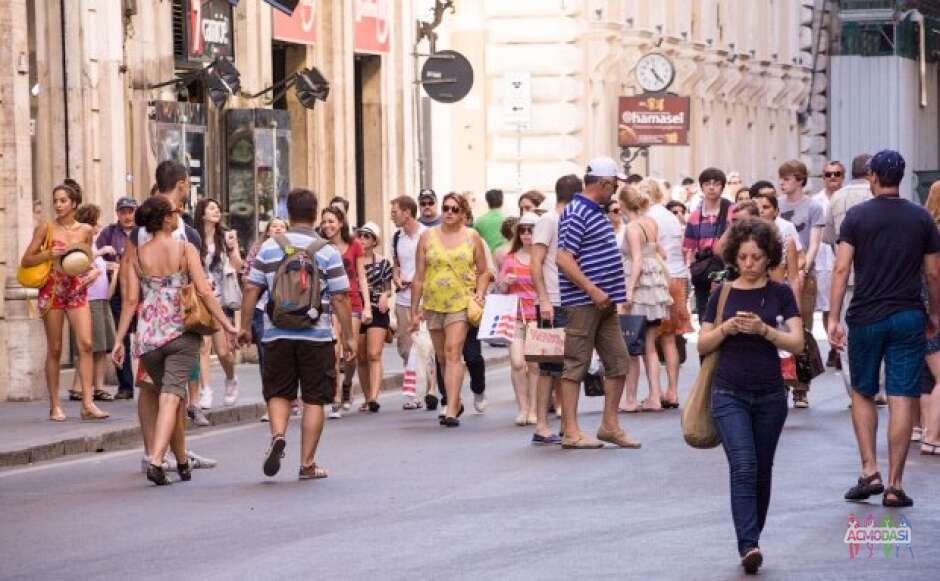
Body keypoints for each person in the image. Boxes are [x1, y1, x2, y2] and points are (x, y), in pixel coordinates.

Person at [829, 150, 940, 508]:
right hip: (908, 315)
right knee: (902, 395)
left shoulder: (856, 217)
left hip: (865, 315)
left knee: (862, 392)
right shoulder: (921, 218)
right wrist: (934, 314)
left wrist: (832, 317)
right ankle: (895, 483)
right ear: (903, 178)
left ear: (873, 177)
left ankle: (869, 471)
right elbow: (933, 273)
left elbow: (842, 269)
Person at [698, 218, 804, 575]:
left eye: (756, 257)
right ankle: (749, 544)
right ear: (734, 256)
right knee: (743, 465)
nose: (749, 263)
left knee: (762, 470)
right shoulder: (721, 293)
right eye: (743, 256)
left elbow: (798, 343)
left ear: (768, 256)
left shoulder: (781, 292)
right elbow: (702, 341)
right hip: (728, 391)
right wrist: (727, 328)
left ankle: (752, 535)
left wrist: (765, 330)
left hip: (771, 395)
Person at [112, 195, 237, 485]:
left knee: (175, 397)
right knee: (171, 395)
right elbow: (204, 292)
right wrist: (226, 324)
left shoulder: (137, 254)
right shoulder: (185, 249)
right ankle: (156, 459)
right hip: (181, 330)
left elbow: (130, 300)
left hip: (148, 336)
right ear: (166, 219)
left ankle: (181, 461)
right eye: (175, 212)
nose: (178, 214)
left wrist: (120, 340)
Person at [239, 188, 355, 481]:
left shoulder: (269, 247)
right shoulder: (327, 250)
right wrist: (349, 337)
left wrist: (244, 327)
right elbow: (341, 298)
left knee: (279, 391)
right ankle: (307, 463)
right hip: (315, 335)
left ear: (288, 214)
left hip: (276, 333)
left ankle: (278, 435)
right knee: (315, 398)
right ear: (315, 214)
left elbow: (252, 288)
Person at [555, 157, 640, 449]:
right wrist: (592, 290)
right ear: (603, 183)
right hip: (584, 302)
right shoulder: (578, 211)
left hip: (604, 303)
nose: (615, 190)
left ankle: (609, 425)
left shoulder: (594, 210)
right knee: (576, 364)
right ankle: (571, 431)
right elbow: (563, 257)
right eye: (614, 184)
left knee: (618, 361)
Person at [20, 183, 108, 422]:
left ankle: (88, 403)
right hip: (52, 290)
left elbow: (86, 259)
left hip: (77, 290)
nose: (58, 205)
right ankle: (55, 405)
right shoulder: (45, 228)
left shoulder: (86, 230)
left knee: (87, 344)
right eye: (56, 201)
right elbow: (26, 260)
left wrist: (92, 273)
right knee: (56, 348)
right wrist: (48, 254)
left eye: (63, 201)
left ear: (74, 204)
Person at [410, 192, 489, 427]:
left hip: (461, 302)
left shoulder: (472, 237)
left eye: (455, 209)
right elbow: (419, 277)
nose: (449, 212)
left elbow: (484, 271)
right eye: (446, 208)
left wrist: (480, 293)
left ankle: (452, 408)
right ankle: (455, 398)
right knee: (443, 356)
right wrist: (415, 311)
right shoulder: (427, 237)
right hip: (433, 303)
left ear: (463, 213)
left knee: (454, 351)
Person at [824, 154, 884, 404]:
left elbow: (829, 237)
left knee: (847, 336)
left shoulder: (837, 198)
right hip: (879, 277)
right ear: (872, 173)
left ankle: (856, 389)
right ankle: (879, 389)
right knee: (880, 333)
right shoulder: (879, 197)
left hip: (848, 276)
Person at [530, 175, 581, 445]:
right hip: (551, 302)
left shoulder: (571, 221)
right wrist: (544, 299)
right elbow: (535, 262)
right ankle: (541, 425)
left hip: (571, 302)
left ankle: (566, 422)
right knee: (548, 367)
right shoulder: (548, 220)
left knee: (567, 366)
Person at [618, 185, 672, 413]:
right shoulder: (651, 223)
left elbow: (637, 259)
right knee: (650, 345)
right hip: (655, 288)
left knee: (631, 346)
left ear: (623, 204)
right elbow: (663, 252)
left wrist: (628, 290)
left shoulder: (632, 227)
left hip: (639, 287)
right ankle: (654, 396)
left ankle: (630, 398)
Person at [777, 159, 825, 409]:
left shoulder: (813, 206)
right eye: (781, 178)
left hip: (804, 273)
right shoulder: (777, 205)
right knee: (779, 330)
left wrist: (804, 269)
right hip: (779, 275)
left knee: (800, 329)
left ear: (799, 179)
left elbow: (814, 241)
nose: (782, 183)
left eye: (786, 178)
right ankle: (783, 381)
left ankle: (801, 387)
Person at [644, 178, 692, 409]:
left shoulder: (649, 218)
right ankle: (672, 390)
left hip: (659, 280)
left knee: (650, 338)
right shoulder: (670, 216)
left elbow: (652, 251)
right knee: (670, 337)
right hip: (678, 277)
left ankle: (655, 392)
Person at [320, 206, 371, 418]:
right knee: (334, 351)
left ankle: (348, 382)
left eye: (331, 221)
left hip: (352, 302)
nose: (327, 225)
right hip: (328, 302)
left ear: (341, 223)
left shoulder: (354, 245)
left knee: (351, 355)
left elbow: (361, 276)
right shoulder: (320, 246)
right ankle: (336, 398)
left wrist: (367, 305)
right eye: (324, 222)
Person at [193, 198, 242, 409]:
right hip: (199, 299)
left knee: (222, 352)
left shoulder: (226, 237)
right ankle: (207, 390)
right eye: (211, 208)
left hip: (220, 301)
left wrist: (233, 249)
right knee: (203, 347)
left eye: (218, 208)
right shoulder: (193, 237)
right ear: (202, 213)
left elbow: (238, 266)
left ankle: (231, 378)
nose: (216, 211)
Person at [71, 204, 118, 402]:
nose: (99, 224)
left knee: (100, 346)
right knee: (93, 346)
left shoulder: (93, 244)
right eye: (96, 220)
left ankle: (85, 386)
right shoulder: (85, 245)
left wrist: (107, 265)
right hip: (89, 300)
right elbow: (79, 262)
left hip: (100, 299)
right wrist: (101, 255)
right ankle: (90, 387)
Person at [497, 213, 540, 426]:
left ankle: (533, 408)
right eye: (522, 230)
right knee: (516, 362)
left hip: (537, 316)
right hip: (515, 316)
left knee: (534, 365)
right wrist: (505, 281)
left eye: (530, 229)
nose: (526, 234)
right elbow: (500, 288)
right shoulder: (510, 258)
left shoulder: (542, 258)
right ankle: (522, 407)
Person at [389, 196, 431, 410]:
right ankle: (417, 388)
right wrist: (397, 278)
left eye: (395, 212)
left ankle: (424, 390)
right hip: (403, 300)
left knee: (425, 347)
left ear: (407, 212)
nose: (392, 216)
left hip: (426, 300)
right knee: (406, 348)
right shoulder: (396, 237)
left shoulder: (426, 235)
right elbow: (396, 265)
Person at [95, 196, 138, 399]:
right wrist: (108, 265)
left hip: (141, 292)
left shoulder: (143, 232)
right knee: (120, 340)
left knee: (145, 337)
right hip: (116, 293)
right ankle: (126, 386)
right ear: (117, 214)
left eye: (130, 211)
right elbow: (95, 258)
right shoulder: (108, 233)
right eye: (123, 212)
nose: (127, 216)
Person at [684, 167, 733, 319]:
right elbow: (689, 248)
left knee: (726, 313)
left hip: (727, 267)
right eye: (707, 183)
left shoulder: (732, 211)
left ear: (722, 187)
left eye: (716, 183)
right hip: (703, 270)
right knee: (704, 315)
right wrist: (692, 268)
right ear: (702, 187)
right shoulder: (694, 216)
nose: (711, 187)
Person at [357, 221, 392, 413]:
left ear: (374, 241)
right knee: (361, 357)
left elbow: (388, 288)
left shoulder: (383, 263)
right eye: (360, 235)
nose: (362, 239)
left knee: (374, 354)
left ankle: (374, 397)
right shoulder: (354, 261)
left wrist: (386, 296)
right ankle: (366, 396)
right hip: (357, 310)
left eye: (367, 236)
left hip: (378, 310)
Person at [814, 161, 845, 369]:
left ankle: (844, 346)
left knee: (844, 304)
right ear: (823, 177)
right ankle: (834, 346)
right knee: (827, 306)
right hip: (824, 258)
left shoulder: (847, 197)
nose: (832, 177)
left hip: (844, 257)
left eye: (837, 174)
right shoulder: (816, 201)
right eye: (828, 174)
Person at [919, 180, 940, 456]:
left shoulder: (922, 231)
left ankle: (924, 430)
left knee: (926, 376)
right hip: (934, 311)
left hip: (918, 309)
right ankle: (933, 436)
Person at [751, 190, 802, 293]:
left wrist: (789, 271)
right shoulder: (749, 230)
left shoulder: (786, 227)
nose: (761, 211)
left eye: (766, 207)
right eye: (757, 209)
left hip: (782, 281)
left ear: (776, 211)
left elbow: (801, 257)